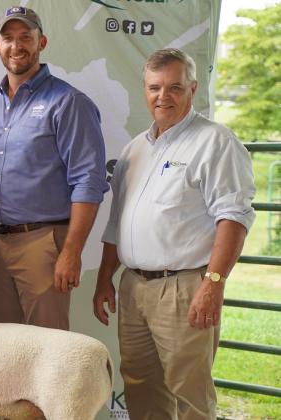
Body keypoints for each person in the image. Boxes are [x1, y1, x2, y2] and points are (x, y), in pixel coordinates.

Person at [93, 48, 256, 420]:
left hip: (184, 289)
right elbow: (118, 223)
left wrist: (213, 283)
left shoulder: (215, 142)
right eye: (154, 87)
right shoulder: (134, 149)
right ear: (144, 89)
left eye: (174, 87)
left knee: (190, 391)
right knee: (140, 386)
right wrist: (105, 279)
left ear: (193, 89)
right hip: (133, 287)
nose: (162, 97)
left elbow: (233, 217)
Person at [0, 6, 109, 331]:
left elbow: (88, 180)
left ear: (41, 41)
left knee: (47, 353)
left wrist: (71, 252)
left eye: (25, 37)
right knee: (5, 349)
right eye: (8, 38)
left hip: (44, 243)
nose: (17, 46)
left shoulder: (68, 102)